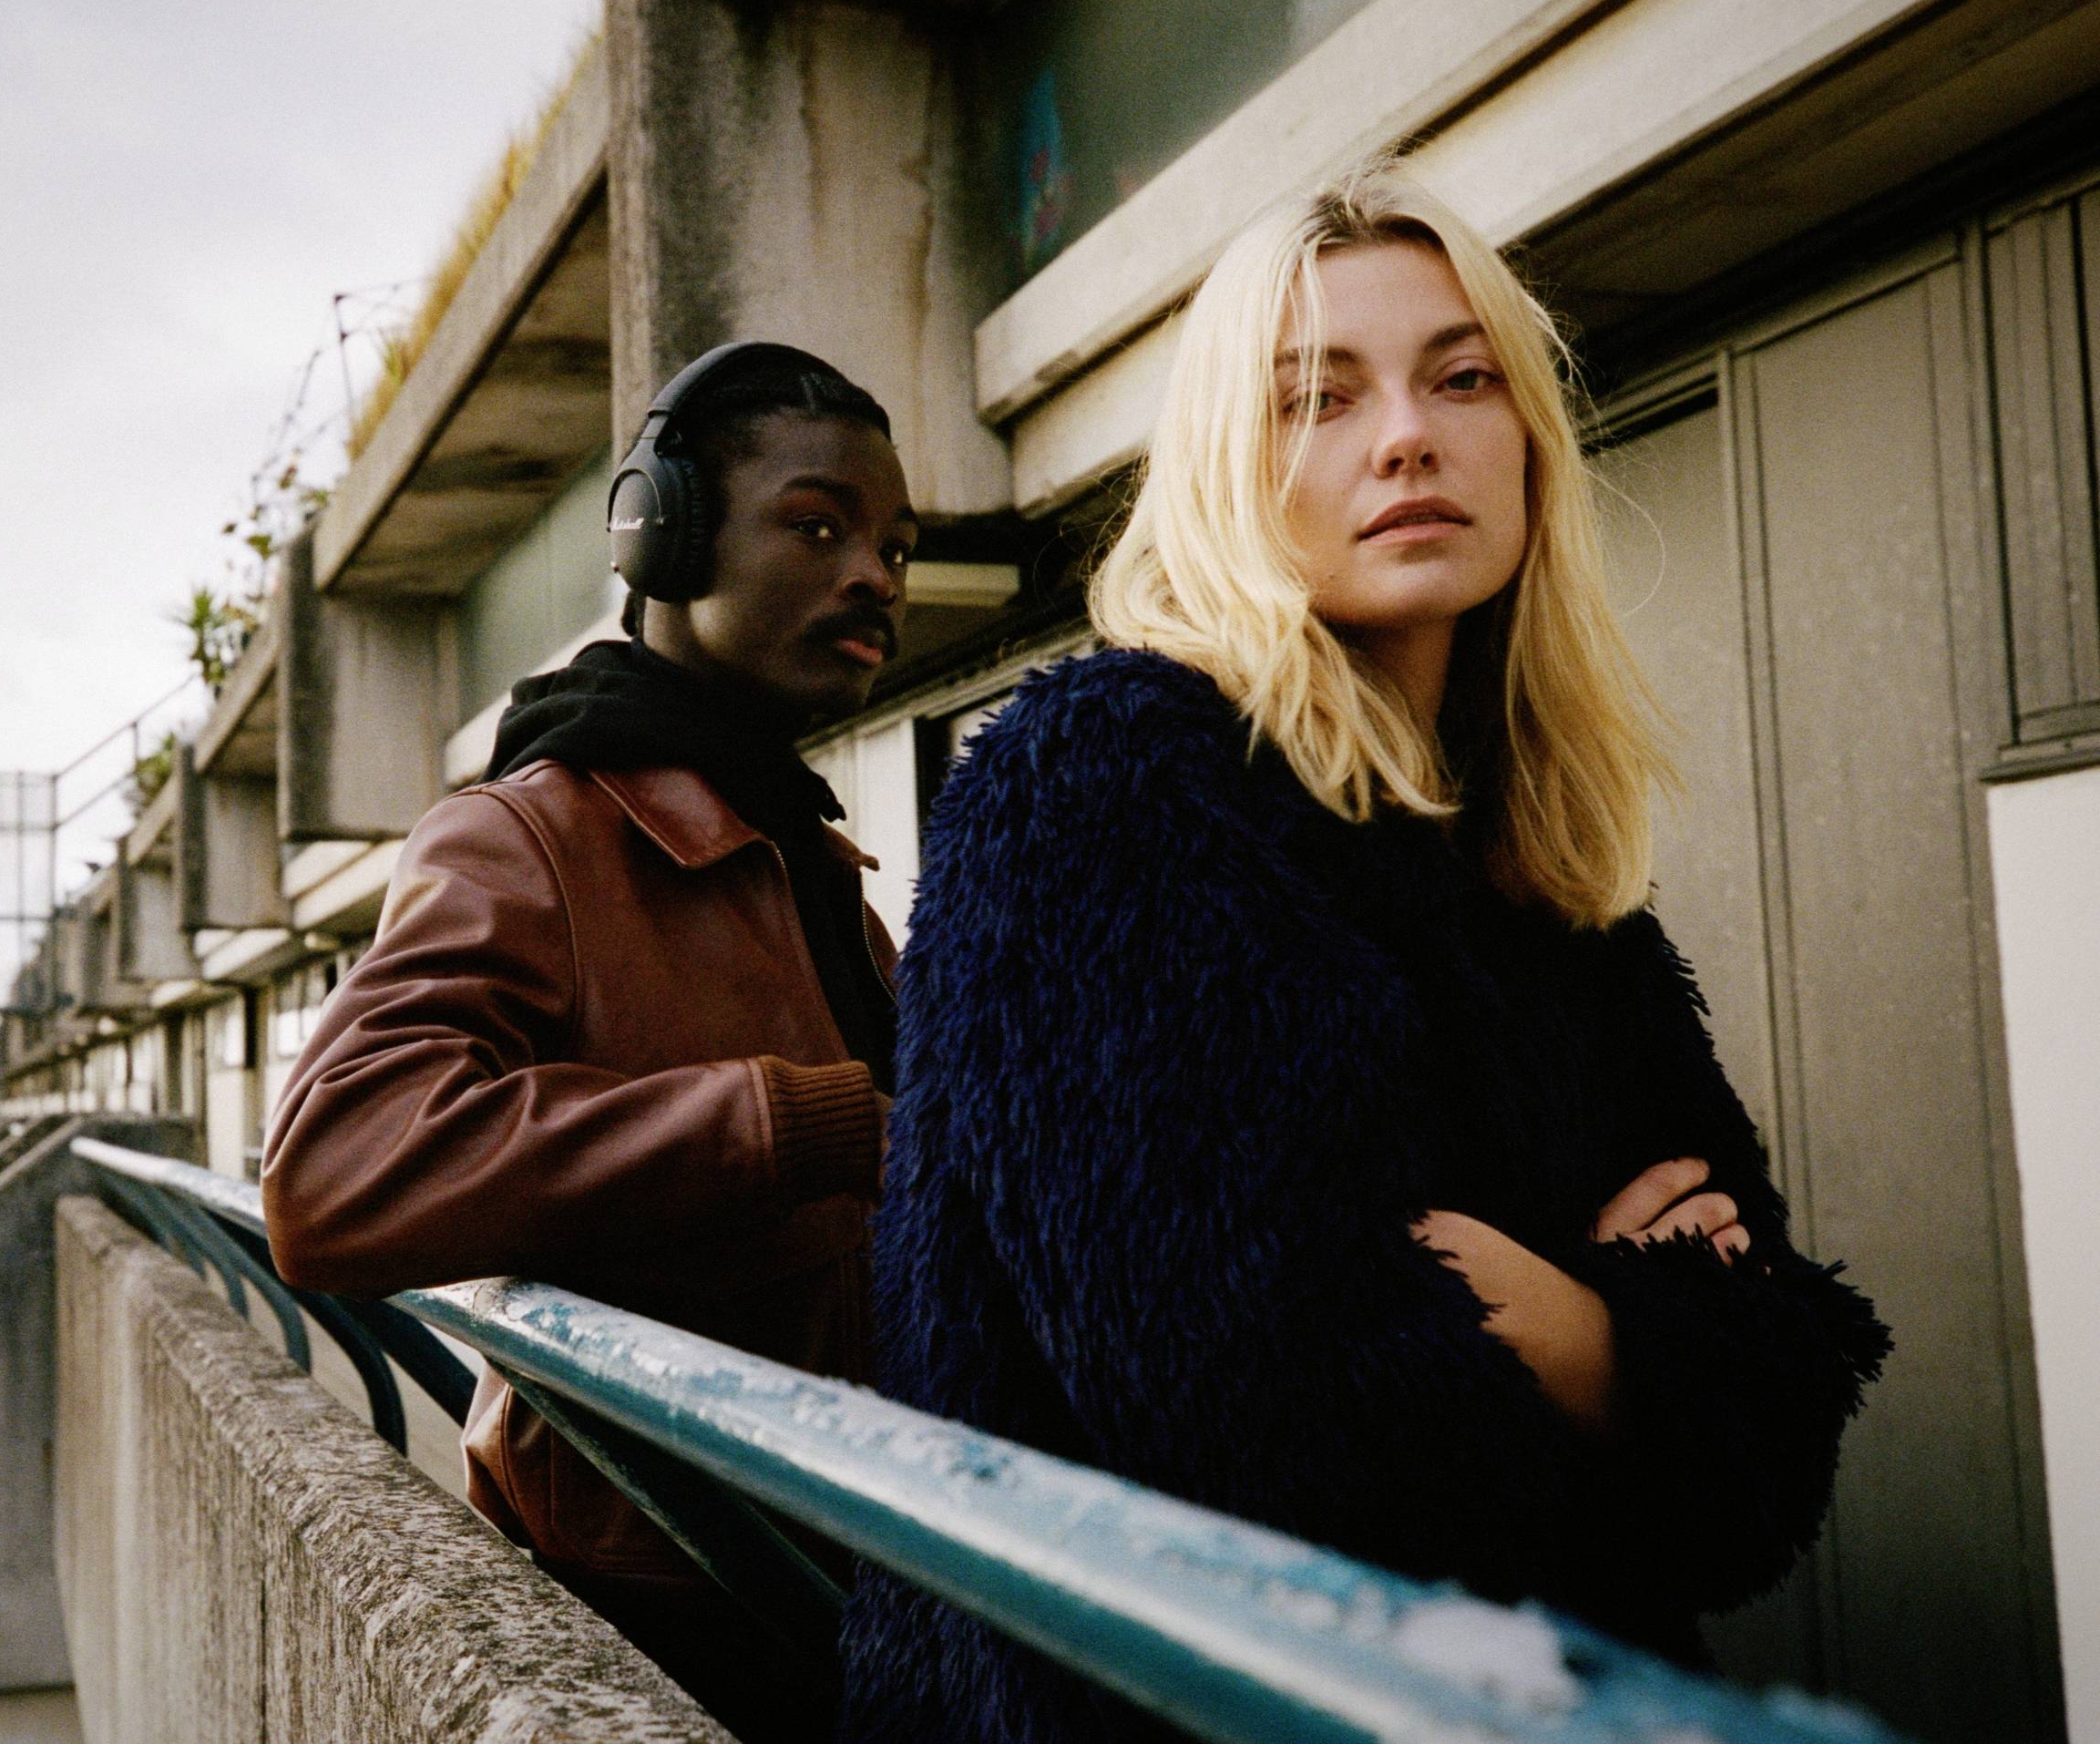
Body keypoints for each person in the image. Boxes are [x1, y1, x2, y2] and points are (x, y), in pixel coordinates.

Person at [835, 164, 1890, 1742]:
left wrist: (1582, 1333)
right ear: (1221, 473)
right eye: (1314, 399)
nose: (1407, 433)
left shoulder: (1541, 866)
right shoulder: (1103, 787)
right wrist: (1650, 1353)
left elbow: (1786, 1413)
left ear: (1529, 441)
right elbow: (1258, 1426)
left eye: (1462, 377)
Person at [262, 342, 917, 1742]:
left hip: (840, 1577)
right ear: (664, 536)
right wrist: (777, 1121)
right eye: (816, 527)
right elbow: (329, 1175)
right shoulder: (527, 838)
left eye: (892, 546)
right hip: (669, 1616)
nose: (871, 572)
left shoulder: (804, 860)